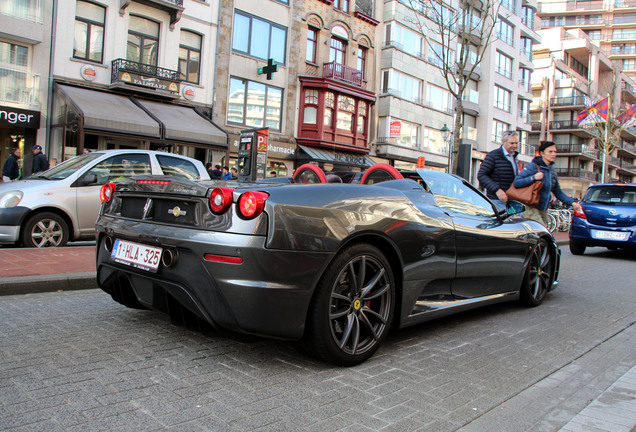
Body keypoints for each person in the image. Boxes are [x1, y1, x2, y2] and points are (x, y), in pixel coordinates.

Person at [513, 141, 580, 225]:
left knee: (542, 234)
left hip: (543, 209)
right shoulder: (533, 166)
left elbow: (558, 192)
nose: (553, 154)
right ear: (542, 153)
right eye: (550, 151)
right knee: (540, 230)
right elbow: (517, 182)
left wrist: (572, 203)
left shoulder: (552, 171)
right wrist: (533, 178)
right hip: (530, 207)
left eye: (555, 152)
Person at [477, 130, 520, 209]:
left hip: (511, 200)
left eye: (516, 143)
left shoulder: (514, 157)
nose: (515, 145)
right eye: (512, 143)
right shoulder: (493, 155)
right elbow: (481, 175)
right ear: (503, 141)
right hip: (497, 200)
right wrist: (497, 190)